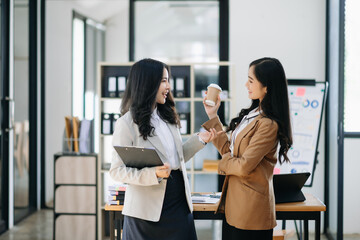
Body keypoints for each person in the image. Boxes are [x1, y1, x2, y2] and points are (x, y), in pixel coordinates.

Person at [109, 58, 217, 240]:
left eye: (168, 80)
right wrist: (153, 174)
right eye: (163, 81)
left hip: (178, 201)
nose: (168, 86)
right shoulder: (126, 123)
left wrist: (200, 140)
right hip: (146, 211)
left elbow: (176, 158)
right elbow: (116, 171)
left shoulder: (166, 117)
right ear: (147, 83)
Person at [202, 57, 293, 240]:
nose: (246, 84)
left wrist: (224, 163)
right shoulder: (252, 115)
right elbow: (230, 151)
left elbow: (244, 166)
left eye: (251, 80)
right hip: (234, 205)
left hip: (251, 212)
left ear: (266, 87)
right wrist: (212, 115)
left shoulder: (268, 124)